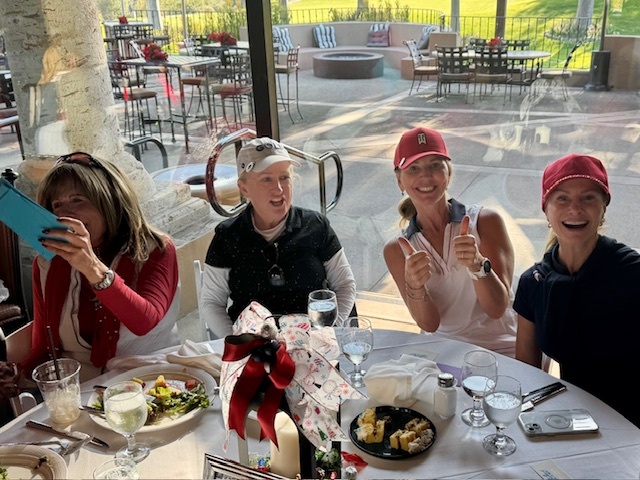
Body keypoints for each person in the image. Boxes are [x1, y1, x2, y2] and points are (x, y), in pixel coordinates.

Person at [21, 152, 180, 381]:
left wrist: (91, 267)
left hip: (148, 379)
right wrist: (17, 373)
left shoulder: (155, 249)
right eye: (57, 205)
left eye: (77, 200)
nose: (65, 214)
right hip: (82, 388)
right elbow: (43, 348)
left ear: (109, 201)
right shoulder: (46, 263)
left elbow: (145, 321)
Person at [514, 153, 640, 427]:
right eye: (562, 198)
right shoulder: (533, 282)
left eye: (588, 198)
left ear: (603, 208)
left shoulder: (632, 272)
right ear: (546, 209)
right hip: (574, 419)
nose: (575, 209)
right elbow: (527, 372)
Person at [200, 137, 356, 338]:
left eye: (284, 177)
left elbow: (344, 285)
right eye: (267, 179)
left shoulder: (316, 226)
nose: (279, 188)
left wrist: (331, 331)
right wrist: (237, 342)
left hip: (313, 343)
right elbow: (212, 302)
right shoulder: (228, 237)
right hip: (254, 346)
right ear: (244, 188)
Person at [383, 127, 517, 357]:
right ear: (399, 181)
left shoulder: (485, 221)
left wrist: (477, 266)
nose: (426, 176)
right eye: (413, 168)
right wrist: (414, 286)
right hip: (442, 353)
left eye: (435, 165)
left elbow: (496, 309)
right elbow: (429, 324)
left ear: (448, 174)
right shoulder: (397, 249)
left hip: (501, 350)